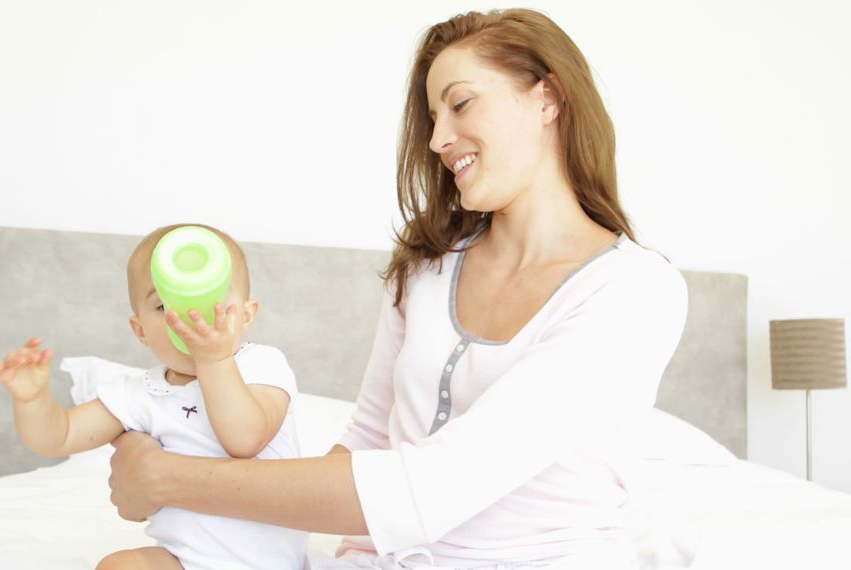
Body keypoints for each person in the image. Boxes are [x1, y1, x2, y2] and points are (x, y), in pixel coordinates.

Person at [107, 9, 688, 569]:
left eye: (460, 103)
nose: (438, 140)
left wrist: (170, 479)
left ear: (548, 98)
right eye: (433, 118)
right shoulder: (427, 263)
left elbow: (436, 485)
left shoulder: (634, 291)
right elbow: (368, 437)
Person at [0, 223, 308, 570]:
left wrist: (214, 359)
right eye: (163, 307)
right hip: (186, 562)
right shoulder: (139, 393)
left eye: (210, 301)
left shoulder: (260, 365)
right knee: (118, 565)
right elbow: (59, 436)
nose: (191, 317)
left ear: (246, 315)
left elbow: (245, 440)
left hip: (272, 564)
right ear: (140, 329)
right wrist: (32, 399)